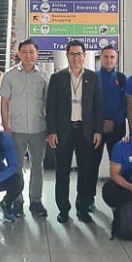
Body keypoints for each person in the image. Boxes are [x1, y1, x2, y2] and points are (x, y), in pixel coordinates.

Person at [46, 40, 103, 224]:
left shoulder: (93, 78)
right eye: (72, 54)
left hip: (85, 131)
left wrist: (98, 131)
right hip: (64, 131)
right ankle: (63, 209)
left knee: (85, 172)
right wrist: (51, 131)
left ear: (84, 56)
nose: (76, 58)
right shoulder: (57, 78)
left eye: (79, 54)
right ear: (67, 56)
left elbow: (98, 107)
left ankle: (82, 207)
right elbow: (51, 107)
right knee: (62, 172)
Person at [0, 38, 50, 218]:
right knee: (16, 166)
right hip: (16, 128)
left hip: (39, 128)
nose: (28, 55)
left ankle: (36, 201)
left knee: (38, 166)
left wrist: (49, 128)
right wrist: (6, 126)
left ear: (37, 54)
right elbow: (4, 102)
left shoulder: (45, 76)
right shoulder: (10, 75)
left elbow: (48, 103)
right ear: (19, 54)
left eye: (32, 52)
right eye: (25, 52)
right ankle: (17, 200)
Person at [96, 46, 127, 166]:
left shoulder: (122, 79)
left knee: (118, 165)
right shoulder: (93, 78)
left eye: (112, 57)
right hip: (96, 129)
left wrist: (113, 121)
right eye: (106, 56)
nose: (109, 60)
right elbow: (89, 104)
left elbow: (126, 103)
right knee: (91, 165)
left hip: (117, 128)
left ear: (116, 59)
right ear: (101, 58)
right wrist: (101, 123)